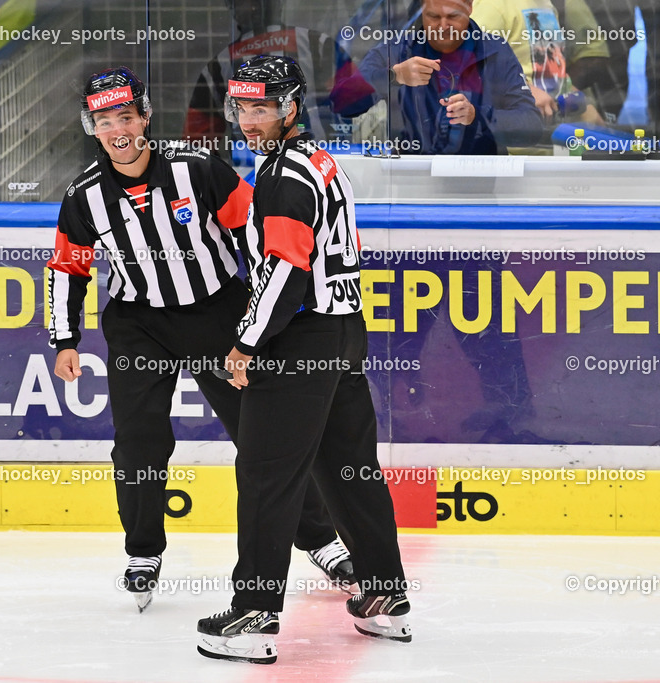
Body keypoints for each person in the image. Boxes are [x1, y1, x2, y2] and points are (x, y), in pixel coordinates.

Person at [47, 66, 354, 613]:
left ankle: (320, 539)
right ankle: (143, 552)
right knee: (138, 442)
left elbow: (256, 233)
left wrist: (261, 318)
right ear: (91, 128)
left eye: (126, 116)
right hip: (138, 327)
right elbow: (68, 266)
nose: (117, 130)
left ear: (145, 117)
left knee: (263, 434)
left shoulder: (198, 169)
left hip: (217, 315)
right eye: (104, 121)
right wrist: (64, 338)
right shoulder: (83, 196)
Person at [197, 55, 411, 665]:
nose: (248, 120)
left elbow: (286, 270)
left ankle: (254, 614)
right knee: (350, 470)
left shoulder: (284, 175)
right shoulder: (318, 161)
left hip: (299, 341)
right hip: (342, 333)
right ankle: (385, 596)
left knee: (266, 475)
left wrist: (246, 342)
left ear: (290, 108)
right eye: (241, 108)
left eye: (261, 108)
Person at [183, 0, 376, 164]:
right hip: (321, 163)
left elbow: (196, 145)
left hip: (252, 172)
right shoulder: (319, 44)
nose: (247, 8)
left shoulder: (220, 63)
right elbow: (358, 100)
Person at [347, 0, 543, 154]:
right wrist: (392, 76)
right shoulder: (397, 51)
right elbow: (342, 103)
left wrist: (477, 117)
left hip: (481, 183)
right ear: (422, 9)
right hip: (411, 181)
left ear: (469, 7)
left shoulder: (495, 51)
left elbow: (532, 127)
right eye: (433, 16)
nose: (443, 26)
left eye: (453, 16)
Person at [470, 0, 609, 128]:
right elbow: (471, 65)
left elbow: (551, 68)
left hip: (550, 133)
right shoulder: (492, 6)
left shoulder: (545, 5)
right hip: (516, 137)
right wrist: (523, 90)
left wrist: (580, 102)